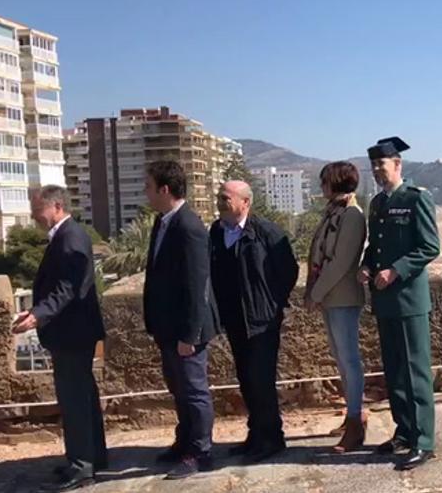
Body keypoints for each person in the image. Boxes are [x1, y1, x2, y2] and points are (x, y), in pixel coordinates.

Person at [12, 186, 107, 492]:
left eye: (37, 209)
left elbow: (67, 287)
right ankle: (93, 456)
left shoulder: (71, 237)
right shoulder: (67, 235)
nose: (34, 215)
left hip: (72, 332)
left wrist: (38, 314)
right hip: (73, 332)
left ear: (55, 206)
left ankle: (82, 466)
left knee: (75, 399)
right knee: (84, 396)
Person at [357, 137, 440, 470]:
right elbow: (374, 247)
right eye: (374, 165)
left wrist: (396, 271)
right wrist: (366, 265)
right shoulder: (377, 203)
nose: (378, 170)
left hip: (408, 298)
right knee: (394, 370)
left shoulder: (417, 198)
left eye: (383, 164)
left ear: (397, 165)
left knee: (415, 370)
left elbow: (430, 247)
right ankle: (404, 431)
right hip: (384, 300)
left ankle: (424, 441)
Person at [210, 181, 298, 463]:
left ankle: (272, 438)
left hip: (261, 320)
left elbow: (289, 270)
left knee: (262, 381)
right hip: (234, 320)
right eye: (219, 197)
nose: (221, 201)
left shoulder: (266, 232)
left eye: (226, 197)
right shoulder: (216, 231)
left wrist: (272, 302)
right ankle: (255, 434)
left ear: (245, 202)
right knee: (246, 380)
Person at [142, 160, 221, 479]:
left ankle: (200, 451)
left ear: (164, 189)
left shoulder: (189, 226)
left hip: (189, 328)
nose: (145, 193)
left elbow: (197, 284)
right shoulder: (163, 222)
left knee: (194, 389)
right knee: (178, 388)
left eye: (149, 186)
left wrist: (190, 335)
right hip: (167, 326)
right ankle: (184, 440)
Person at [305, 162, 368, 453]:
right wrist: (314, 291)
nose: (321, 188)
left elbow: (341, 262)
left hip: (342, 296)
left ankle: (356, 422)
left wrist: (316, 293)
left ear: (336, 183)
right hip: (331, 297)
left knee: (350, 360)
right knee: (341, 360)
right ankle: (352, 413)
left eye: (324, 182)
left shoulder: (352, 215)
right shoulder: (334, 212)